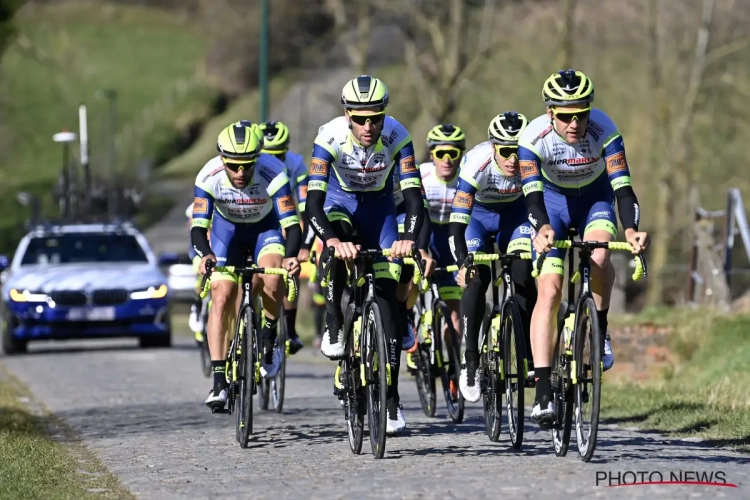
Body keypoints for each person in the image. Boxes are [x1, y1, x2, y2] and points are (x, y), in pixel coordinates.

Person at [517, 69, 649, 426]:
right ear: (549, 113)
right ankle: (543, 390)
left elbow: (623, 190)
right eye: (565, 115)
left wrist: (632, 230)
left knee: (601, 255)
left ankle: (600, 329)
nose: (575, 123)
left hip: (595, 200)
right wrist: (542, 227)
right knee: (549, 291)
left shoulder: (605, 130)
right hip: (551, 205)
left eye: (582, 113)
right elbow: (530, 197)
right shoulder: (532, 138)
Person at [306, 75, 425, 434]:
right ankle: (334, 324)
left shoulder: (397, 136)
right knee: (339, 244)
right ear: (347, 116)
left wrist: (407, 238)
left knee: (388, 296)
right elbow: (313, 204)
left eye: (376, 117)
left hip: (380, 210)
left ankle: (390, 400)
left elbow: (415, 198)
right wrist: (330, 240)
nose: (369, 126)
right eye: (360, 118)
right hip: (339, 204)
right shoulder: (328, 137)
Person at [191, 121, 302, 411]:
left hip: (265, 229)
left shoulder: (273, 171)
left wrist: (292, 256)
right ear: (222, 160)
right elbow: (198, 227)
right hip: (227, 232)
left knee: (273, 276)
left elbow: (291, 224)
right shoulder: (208, 175)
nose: (241, 173)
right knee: (222, 295)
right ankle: (218, 382)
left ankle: (268, 338)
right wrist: (205, 255)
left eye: (247, 166)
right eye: (233, 166)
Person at [449, 112, 537, 403]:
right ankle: (471, 359)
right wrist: (463, 262)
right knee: (476, 279)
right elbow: (456, 226)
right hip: (477, 219)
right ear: (493, 147)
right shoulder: (477, 163)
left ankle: (526, 352)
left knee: (524, 274)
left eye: (518, 150)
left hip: (514, 218)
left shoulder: (532, 162)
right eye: (506, 151)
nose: (513, 158)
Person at [403, 124, 467, 402]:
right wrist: (421, 249)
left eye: (453, 152)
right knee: (412, 280)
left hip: (451, 239)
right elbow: (417, 217)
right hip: (424, 235)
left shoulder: (467, 178)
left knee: (454, 316)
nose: (447, 159)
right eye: (441, 152)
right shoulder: (420, 175)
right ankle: (411, 329)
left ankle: (453, 370)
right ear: (432, 154)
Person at [260, 120, 309, 355]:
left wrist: (303, 245)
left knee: (291, 268)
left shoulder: (296, 165)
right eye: (267, 154)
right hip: (255, 217)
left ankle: (290, 329)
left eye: (278, 154)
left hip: (284, 219)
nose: (272, 160)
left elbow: (306, 207)